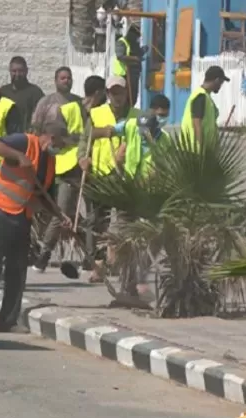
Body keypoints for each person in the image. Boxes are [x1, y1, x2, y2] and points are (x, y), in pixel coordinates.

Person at [0, 123, 68, 333]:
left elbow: (44, 196)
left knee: (17, 270)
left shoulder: (50, 161)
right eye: (59, 143)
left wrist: (60, 215)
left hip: (21, 218)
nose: (60, 148)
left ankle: (8, 321)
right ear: (50, 136)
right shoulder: (25, 142)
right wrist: (19, 156)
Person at [33, 75, 107, 272]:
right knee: (62, 213)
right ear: (99, 93)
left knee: (92, 215)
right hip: (68, 168)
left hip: (90, 167)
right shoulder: (70, 109)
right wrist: (77, 141)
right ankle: (44, 255)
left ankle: (90, 258)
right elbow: (56, 137)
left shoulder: (102, 112)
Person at [78, 75, 141, 282]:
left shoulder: (136, 116)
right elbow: (85, 139)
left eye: (120, 92)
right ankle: (98, 266)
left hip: (127, 176)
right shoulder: (96, 113)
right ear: (107, 94)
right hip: (101, 174)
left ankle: (121, 262)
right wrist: (82, 159)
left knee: (126, 222)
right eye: (113, 93)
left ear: (126, 94)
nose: (117, 97)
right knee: (97, 223)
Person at [122, 94, 170, 178]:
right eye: (161, 115)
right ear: (151, 111)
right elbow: (109, 131)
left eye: (166, 115)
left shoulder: (165, 138)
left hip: (152, 185)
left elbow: (168, 165)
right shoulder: (132, 125)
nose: (163, 119)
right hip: (131, 183)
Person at [181, 65, 229, 150]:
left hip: (204, 149)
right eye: (221, 83)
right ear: (217, 80)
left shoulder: (207, 97)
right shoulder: (200, 96)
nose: (220, 86)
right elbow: (196, 122)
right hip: (194, 150)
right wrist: (201, 147)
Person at [31, 67, 81, 133]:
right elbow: (36, 126)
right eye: (62, 78)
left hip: (74, 142)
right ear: (55, 81)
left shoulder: (79, 102)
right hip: (50, 141)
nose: (66, 81)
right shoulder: (45, 102)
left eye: (69, 78)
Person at [0, 56, 45, 130]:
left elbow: (42, 115)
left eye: (21, 71)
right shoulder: (3, 92)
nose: (17, 74)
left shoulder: (35, 92)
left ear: (26, 71)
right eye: (14, 71)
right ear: (10, 71)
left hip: (26, 137)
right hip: (6, 136)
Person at [112, 23, 148, 107]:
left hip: (133, 74)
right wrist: (135, 59)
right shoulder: (122, 42)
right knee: (125, 97)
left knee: (133, 97)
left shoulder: (133, 44)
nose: (137, 39)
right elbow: (120, 56)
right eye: (136, 36)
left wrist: (143, 50)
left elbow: (137, 53)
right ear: (131, 34)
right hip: (123, 75)